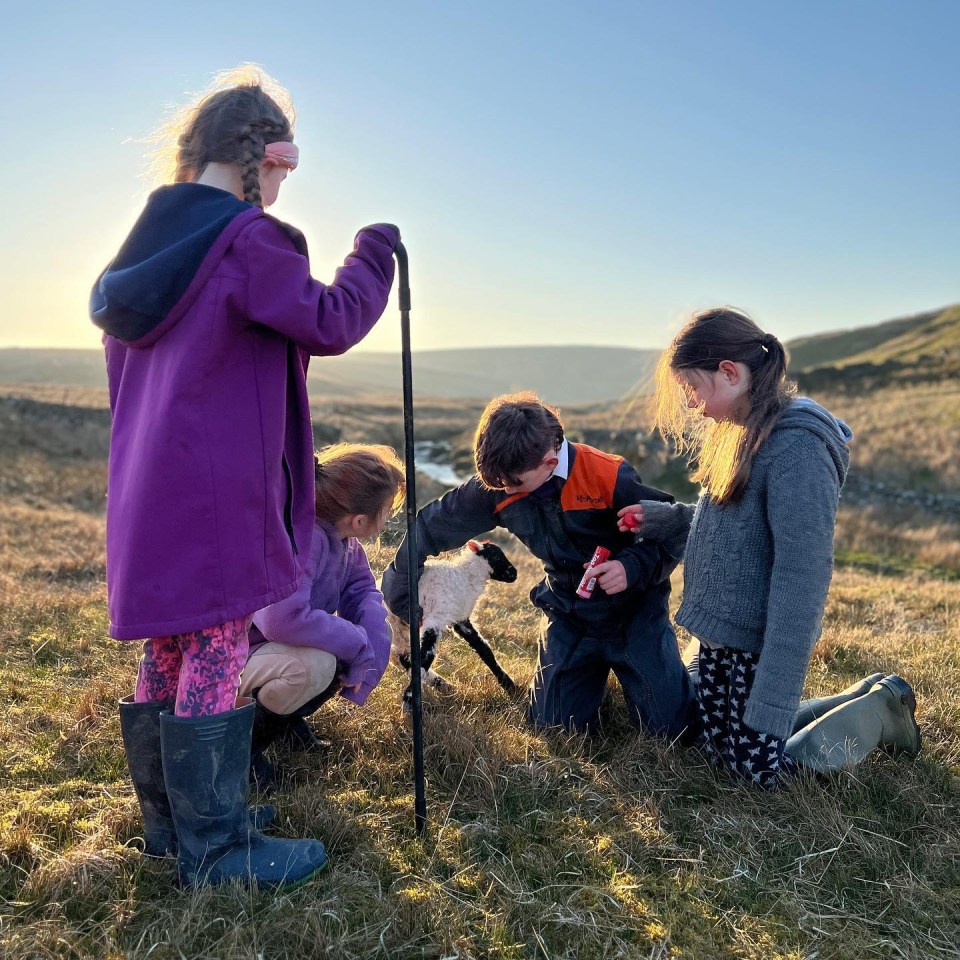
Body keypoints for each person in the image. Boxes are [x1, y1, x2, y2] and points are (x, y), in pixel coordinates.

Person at [90, 67, 399, 887]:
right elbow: (328, 319)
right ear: (264, 159)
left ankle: (172, 827)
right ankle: (215, 847)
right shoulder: (244, 239)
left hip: (149, 494)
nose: (281, 190)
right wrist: (374, 254)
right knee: (221, 645)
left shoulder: (147, 253)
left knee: (170, 645)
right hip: (221, 494)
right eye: (284, 172)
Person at [617, 307, 920, 788]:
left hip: (758, 646)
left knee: (756, 775)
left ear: (730, 373)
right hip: (723, 637)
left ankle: (879, 714)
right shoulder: (738, 432)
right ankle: (867, 696)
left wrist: (774, 692)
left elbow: (803, 576)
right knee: (720, 752)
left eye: (693, 389)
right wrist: (664, 521)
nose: (692, 405)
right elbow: (730, 528)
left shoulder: (797, 449)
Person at [380, 391, 696, 738]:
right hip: (570, 613)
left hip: (636, 613)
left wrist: (631, 568)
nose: (503, 490)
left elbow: (670, 535)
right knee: (555, 727)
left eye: (513, 484)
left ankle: (691, 661)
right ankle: (586, 675)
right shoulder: (500, 481)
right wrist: (399, 586)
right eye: (495, 483)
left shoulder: (608, 474)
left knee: (673, 731)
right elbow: (429, 527)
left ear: (549, 461)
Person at [240, 443, 405, 787]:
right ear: (359, 519)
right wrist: (357, 646)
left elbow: (363, 595)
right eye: (388, 511)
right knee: (316, 664)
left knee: (334, 654)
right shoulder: (304, 538)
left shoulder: (344, 542)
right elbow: (280, 620)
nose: (388, 519)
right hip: (234, 658)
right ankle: (242, 752)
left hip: (264, 653)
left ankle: (282, 722)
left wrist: (368, 653)